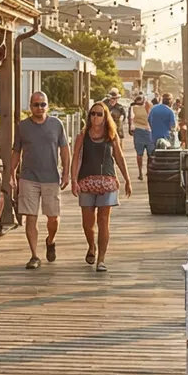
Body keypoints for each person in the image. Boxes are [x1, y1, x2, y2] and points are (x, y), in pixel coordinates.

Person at [8, 91, 69, 269]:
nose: (40, 108)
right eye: (36, 104)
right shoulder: (22, 127)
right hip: (28, 177)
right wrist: (11, 172)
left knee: (53, 218)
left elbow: (64, 149)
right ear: (30, 107)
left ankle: (51, 240)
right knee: (30, 217)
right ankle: (34, 255)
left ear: (47, 106)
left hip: (51, 177)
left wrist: (66, 172)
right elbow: (16, 151)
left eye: (43, 104)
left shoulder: (56, 124)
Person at [74, 102, 133, 272]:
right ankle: (91, 246)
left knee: (103, 220)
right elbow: (75, 157)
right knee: (87, 222)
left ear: (105, 116)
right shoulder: (82, 136)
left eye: (99, 114)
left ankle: (101, 259)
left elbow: (119, 158)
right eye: (93, 114)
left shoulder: (111, 136)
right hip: (86, 181)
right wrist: (73, 180)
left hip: (107, 181)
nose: (96, 117)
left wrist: (127, 179)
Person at [129, 94, 153, 179]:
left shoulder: (133, 108)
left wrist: (131, 129)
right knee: (150, 154)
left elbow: (131, 119)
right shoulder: (149, 107)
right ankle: (148, 171)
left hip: (139, 131)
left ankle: (140, 172)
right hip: (148, 131)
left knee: (140, 154)